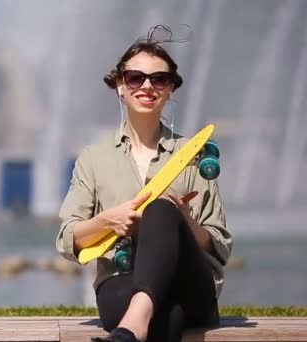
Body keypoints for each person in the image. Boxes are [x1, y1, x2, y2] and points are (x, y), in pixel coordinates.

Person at [56, 26, 233, 342]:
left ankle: (132, 327)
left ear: (170, 90)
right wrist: (109, 220)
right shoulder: (93, 158)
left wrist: (183, 220)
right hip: (120, 281)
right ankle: (138, 319)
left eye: (159, 79)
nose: (147, 86)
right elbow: (69, 239)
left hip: (190, 285)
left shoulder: (192, 153)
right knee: (167, 313)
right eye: (135, 78)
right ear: (120, 87)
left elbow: (219, 245)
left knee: (162, 210)